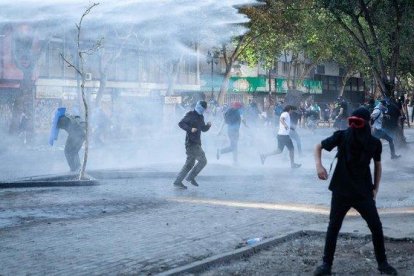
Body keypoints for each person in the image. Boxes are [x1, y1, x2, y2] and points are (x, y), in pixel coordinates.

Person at [313, 107, 397, 276]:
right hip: (341, 190)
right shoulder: (342, 136)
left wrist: (375, 189)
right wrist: (318, 166)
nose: (353, 126)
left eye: (357, 123)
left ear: (366, 123)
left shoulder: (374, 143)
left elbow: (378, 166)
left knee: (376, 227)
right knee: (333, 227)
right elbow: (318, 147)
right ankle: (326, 265)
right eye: (352, 122)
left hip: (363, 192)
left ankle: (383, 264)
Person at [173, 100, 211, 189]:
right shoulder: (190, 114)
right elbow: (181, 123)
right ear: (198, 106)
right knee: (203, 161)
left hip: (196, 142)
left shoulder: (201, 117)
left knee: (189, 164)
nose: (203, 110)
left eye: (204, 109)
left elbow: (203, 129)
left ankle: (178, 182)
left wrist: (208, 126)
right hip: (191, 143)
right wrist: (190, 129)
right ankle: (190, 177)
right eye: (202, 108)